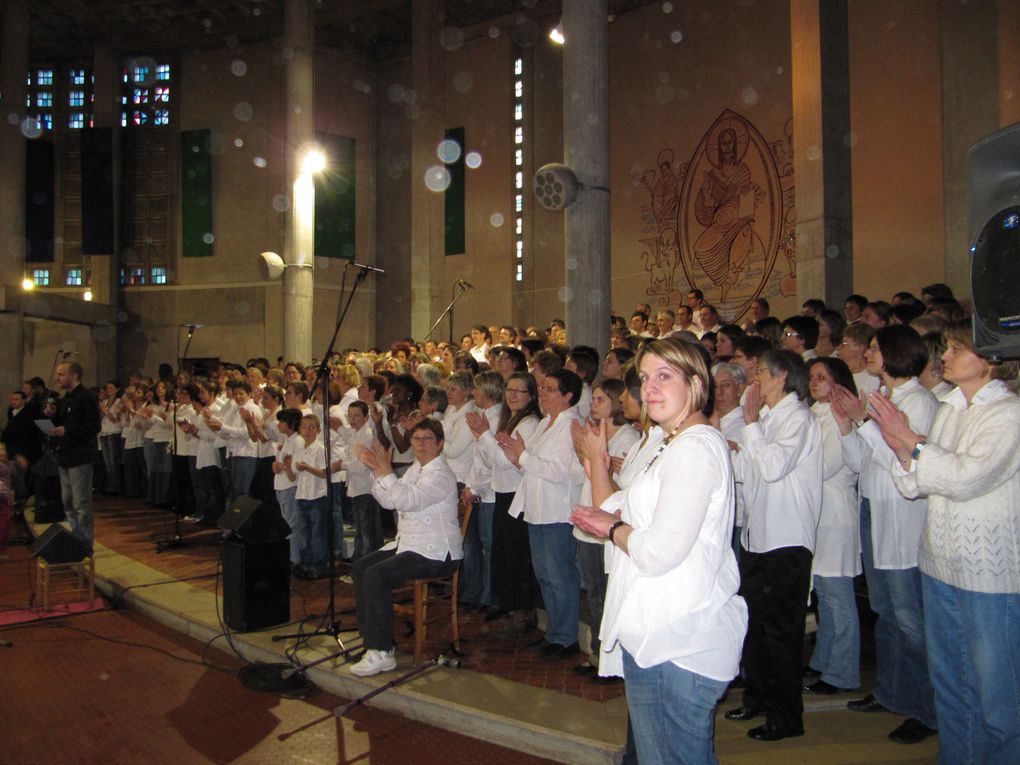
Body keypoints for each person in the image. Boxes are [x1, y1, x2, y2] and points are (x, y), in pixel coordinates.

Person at [571, 338, 747, 765]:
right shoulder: (670, 443)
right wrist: (596, 461)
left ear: (695, 382)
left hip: (681, 638)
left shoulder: (697, 447)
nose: (649, 388)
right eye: (646, 378)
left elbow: (658, 550)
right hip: (654, 630)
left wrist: (614, 529)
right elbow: (618, 508)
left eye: (664, 376)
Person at [868, 319, 1020, 765]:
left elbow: (968, 476)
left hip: (988, 576)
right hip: (940, 565)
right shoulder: (952, 406)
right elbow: (917, 484)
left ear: (990, 360)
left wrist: (912, 444)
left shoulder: (1008, 414)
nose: (944, 357)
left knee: (996, 695)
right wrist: (901, 448)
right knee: (952, 685)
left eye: (955, 349)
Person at [831, 324, 938, 744]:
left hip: (903, 516)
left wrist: (866, 422)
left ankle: (927, 709)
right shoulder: (886, 400)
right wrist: (849, 424)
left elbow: (904, 454)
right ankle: (892, 690)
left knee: (910, 618)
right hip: (873, 505)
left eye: (874, 348)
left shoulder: (919, 401)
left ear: (895, 353)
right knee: (887, 612)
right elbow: (863, 461)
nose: (869, 353)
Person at [726, 349, 822, 741]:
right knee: (756, 625)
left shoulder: (797, 418)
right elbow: (751, 474)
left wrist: (748, 427)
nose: (755, 378)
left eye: (761, 371)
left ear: (783, 377)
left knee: (782, 631)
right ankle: (759, 697)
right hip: (758, 534)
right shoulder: (767, 419)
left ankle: (786, 717)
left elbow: (772, 467)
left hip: (786, 539)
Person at [350, 418, 463, 677]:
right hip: (410, 544)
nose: (421, 444)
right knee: (360, 567)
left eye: (427, 439)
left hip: (436, 551)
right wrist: (380, 472)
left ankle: (382, 651)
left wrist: (385, 471)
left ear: (440, 444)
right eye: (416, 439)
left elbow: (408, 500)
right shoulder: (416, 469)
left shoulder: (441, 474)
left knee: (377, 575)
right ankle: (371, 643)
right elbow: (390, 502)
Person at [569, 378, 640, 680]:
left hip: (610, 522)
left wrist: (598, 458)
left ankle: (606, 655)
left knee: (604, 593)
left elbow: (623, 486)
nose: (593, 404)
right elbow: (581, 473)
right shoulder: (597, 432)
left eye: (600, 399)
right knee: (593, 592)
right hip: (591, 515)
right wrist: (582, 450)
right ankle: (597, 652)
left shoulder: (625, 438)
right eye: (593, 398)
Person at [804, 358, 862, 694]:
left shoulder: (842, 421)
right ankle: (823, 661)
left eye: (822, 377)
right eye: (811, 377)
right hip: (817, 513)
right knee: (824, 595)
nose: (814, 382)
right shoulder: (813, 414)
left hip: (836, 514)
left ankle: (842, 672)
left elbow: (824, 466)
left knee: (838, 598)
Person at [50, 362, 101, 552]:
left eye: (61, 374)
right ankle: (76, 539)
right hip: (65, 456)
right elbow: (62, 423)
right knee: (68, 503)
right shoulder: (66, 398)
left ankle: (85, 544)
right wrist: (52, 417)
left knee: (81, 503)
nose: (58, 378)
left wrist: (68, 430)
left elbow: (94, 426)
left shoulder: (87, 397)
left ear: (73, 376)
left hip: (80, 457)